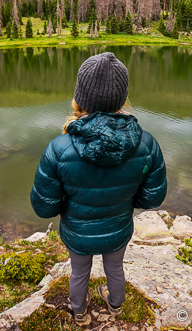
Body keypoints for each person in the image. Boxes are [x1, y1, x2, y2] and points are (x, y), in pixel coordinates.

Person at [30, 51, 167, 326]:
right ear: (122, 98)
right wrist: (126, 199)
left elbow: (44, 207)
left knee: (79, 273)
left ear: (80, 98)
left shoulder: (59, 149)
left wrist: (69, 207)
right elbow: (152, 199)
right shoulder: (147, 144)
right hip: (118, 228)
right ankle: (116, 305)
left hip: (78, 232)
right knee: (115, 268)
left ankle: (79, 313)